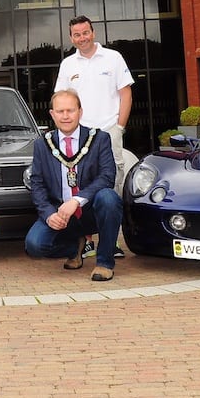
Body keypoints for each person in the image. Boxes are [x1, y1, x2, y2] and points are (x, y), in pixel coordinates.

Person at [55, 14, 134, 259]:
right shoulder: (68, 64)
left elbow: (126, 94)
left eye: (85, 33)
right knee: (79, 184)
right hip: (80, 134)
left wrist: (119, 127)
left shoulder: (113, 58)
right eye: (76, 34)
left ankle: (111, 242)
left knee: (112, 186)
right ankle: (87, 241)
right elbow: (61, 99)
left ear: (93, 33)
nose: (82, 38)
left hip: (109, 131)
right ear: (71, 37)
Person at [24, 89, 123, 282]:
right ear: (52, 114)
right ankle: (74, 247)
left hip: (90, 210)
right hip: (60, 213)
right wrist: (48, 214)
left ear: (80, 112)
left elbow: (107, 176)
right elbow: (37, 184)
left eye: (70, 110)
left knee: (109, 198)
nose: (65, 116)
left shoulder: (99, 139)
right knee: (34, 245)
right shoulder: (42, 145)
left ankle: (104, 263)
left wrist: (76, 201)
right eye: (60, 111)